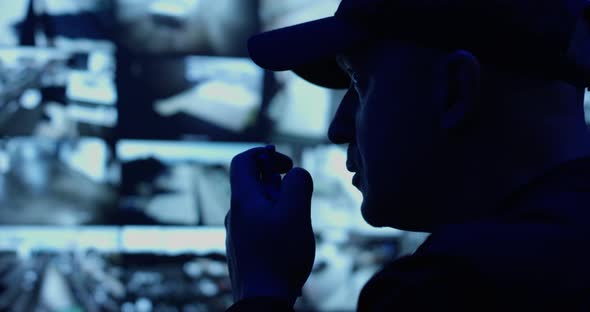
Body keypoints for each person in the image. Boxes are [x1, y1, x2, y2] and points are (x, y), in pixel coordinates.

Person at [225, 0, 590, 310]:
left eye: (357, 83)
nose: (338, 129)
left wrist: (261, 290)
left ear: (455, 90)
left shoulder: (448, 287)